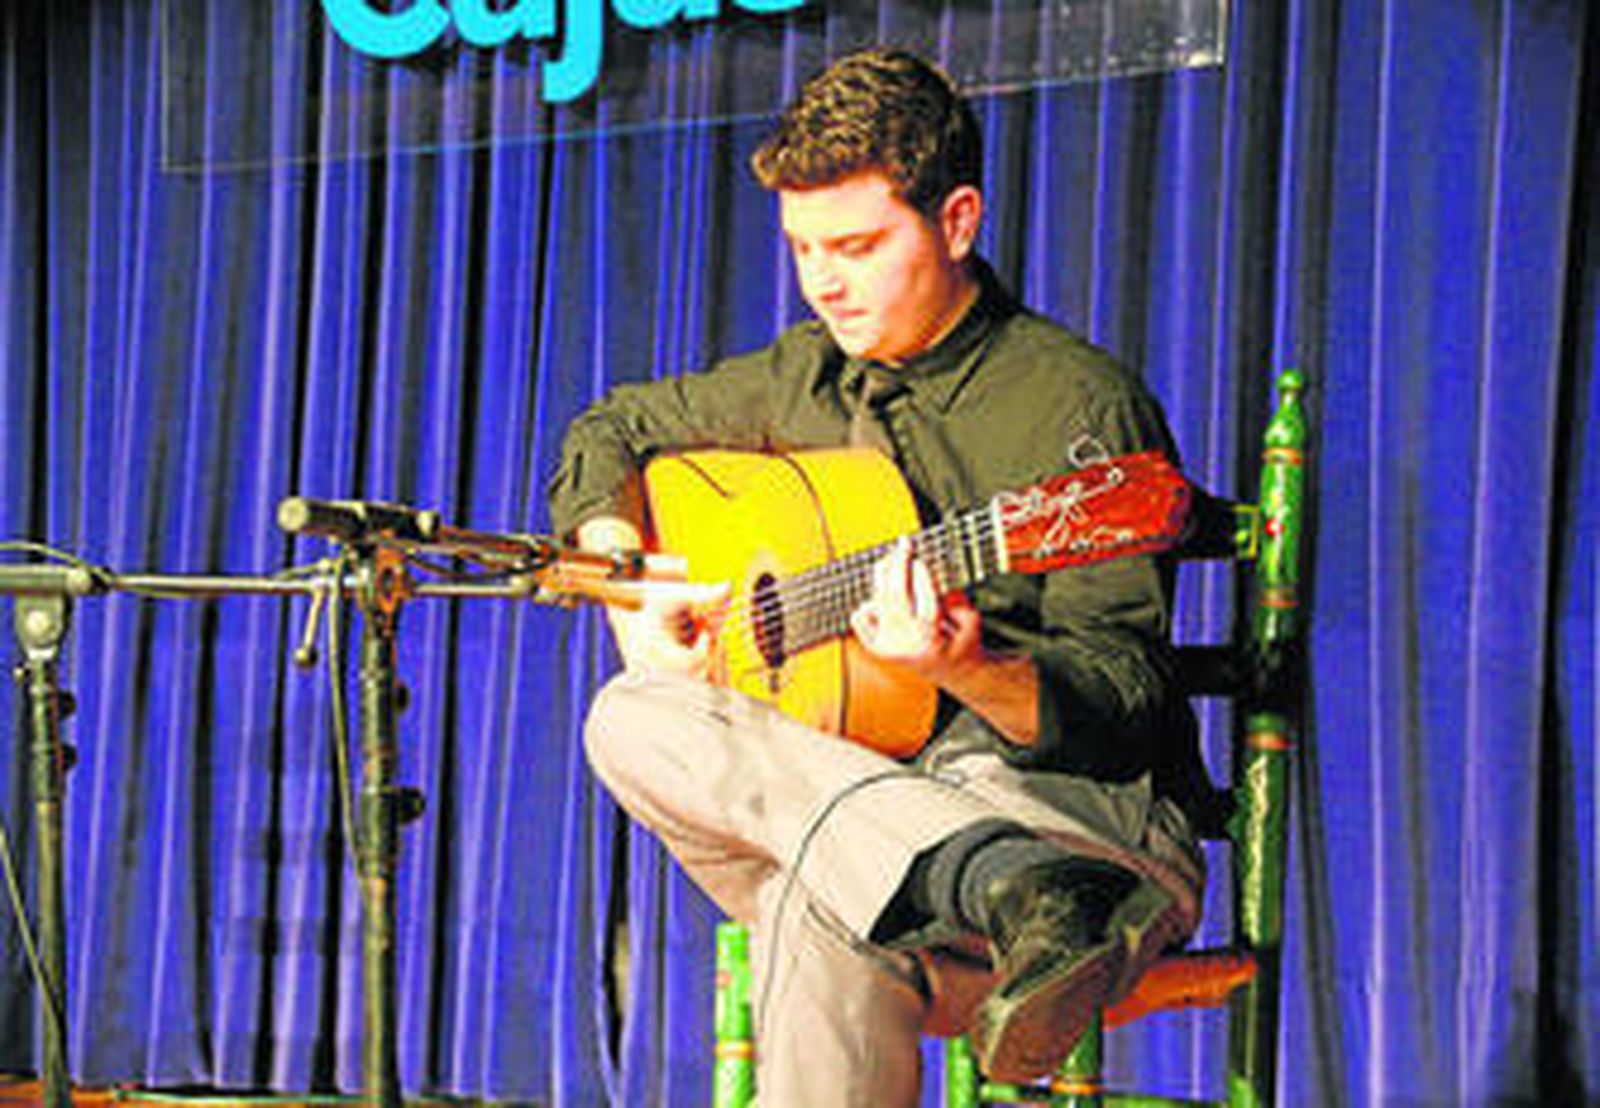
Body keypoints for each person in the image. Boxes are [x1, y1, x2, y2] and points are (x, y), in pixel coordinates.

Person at [547, 47, 1213, 1106]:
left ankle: (1033, 889)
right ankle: (995, 881)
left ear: (955, 221)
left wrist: (973, 665)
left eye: (856, 247)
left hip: (1087, 833)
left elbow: (1128, 706)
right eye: (804, 249)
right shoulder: (805, 370)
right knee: (630, 712)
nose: (823, 281)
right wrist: (627, 572)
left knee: (831, 893)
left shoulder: (1077, 406)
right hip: (912, 827)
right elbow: (613, 427)